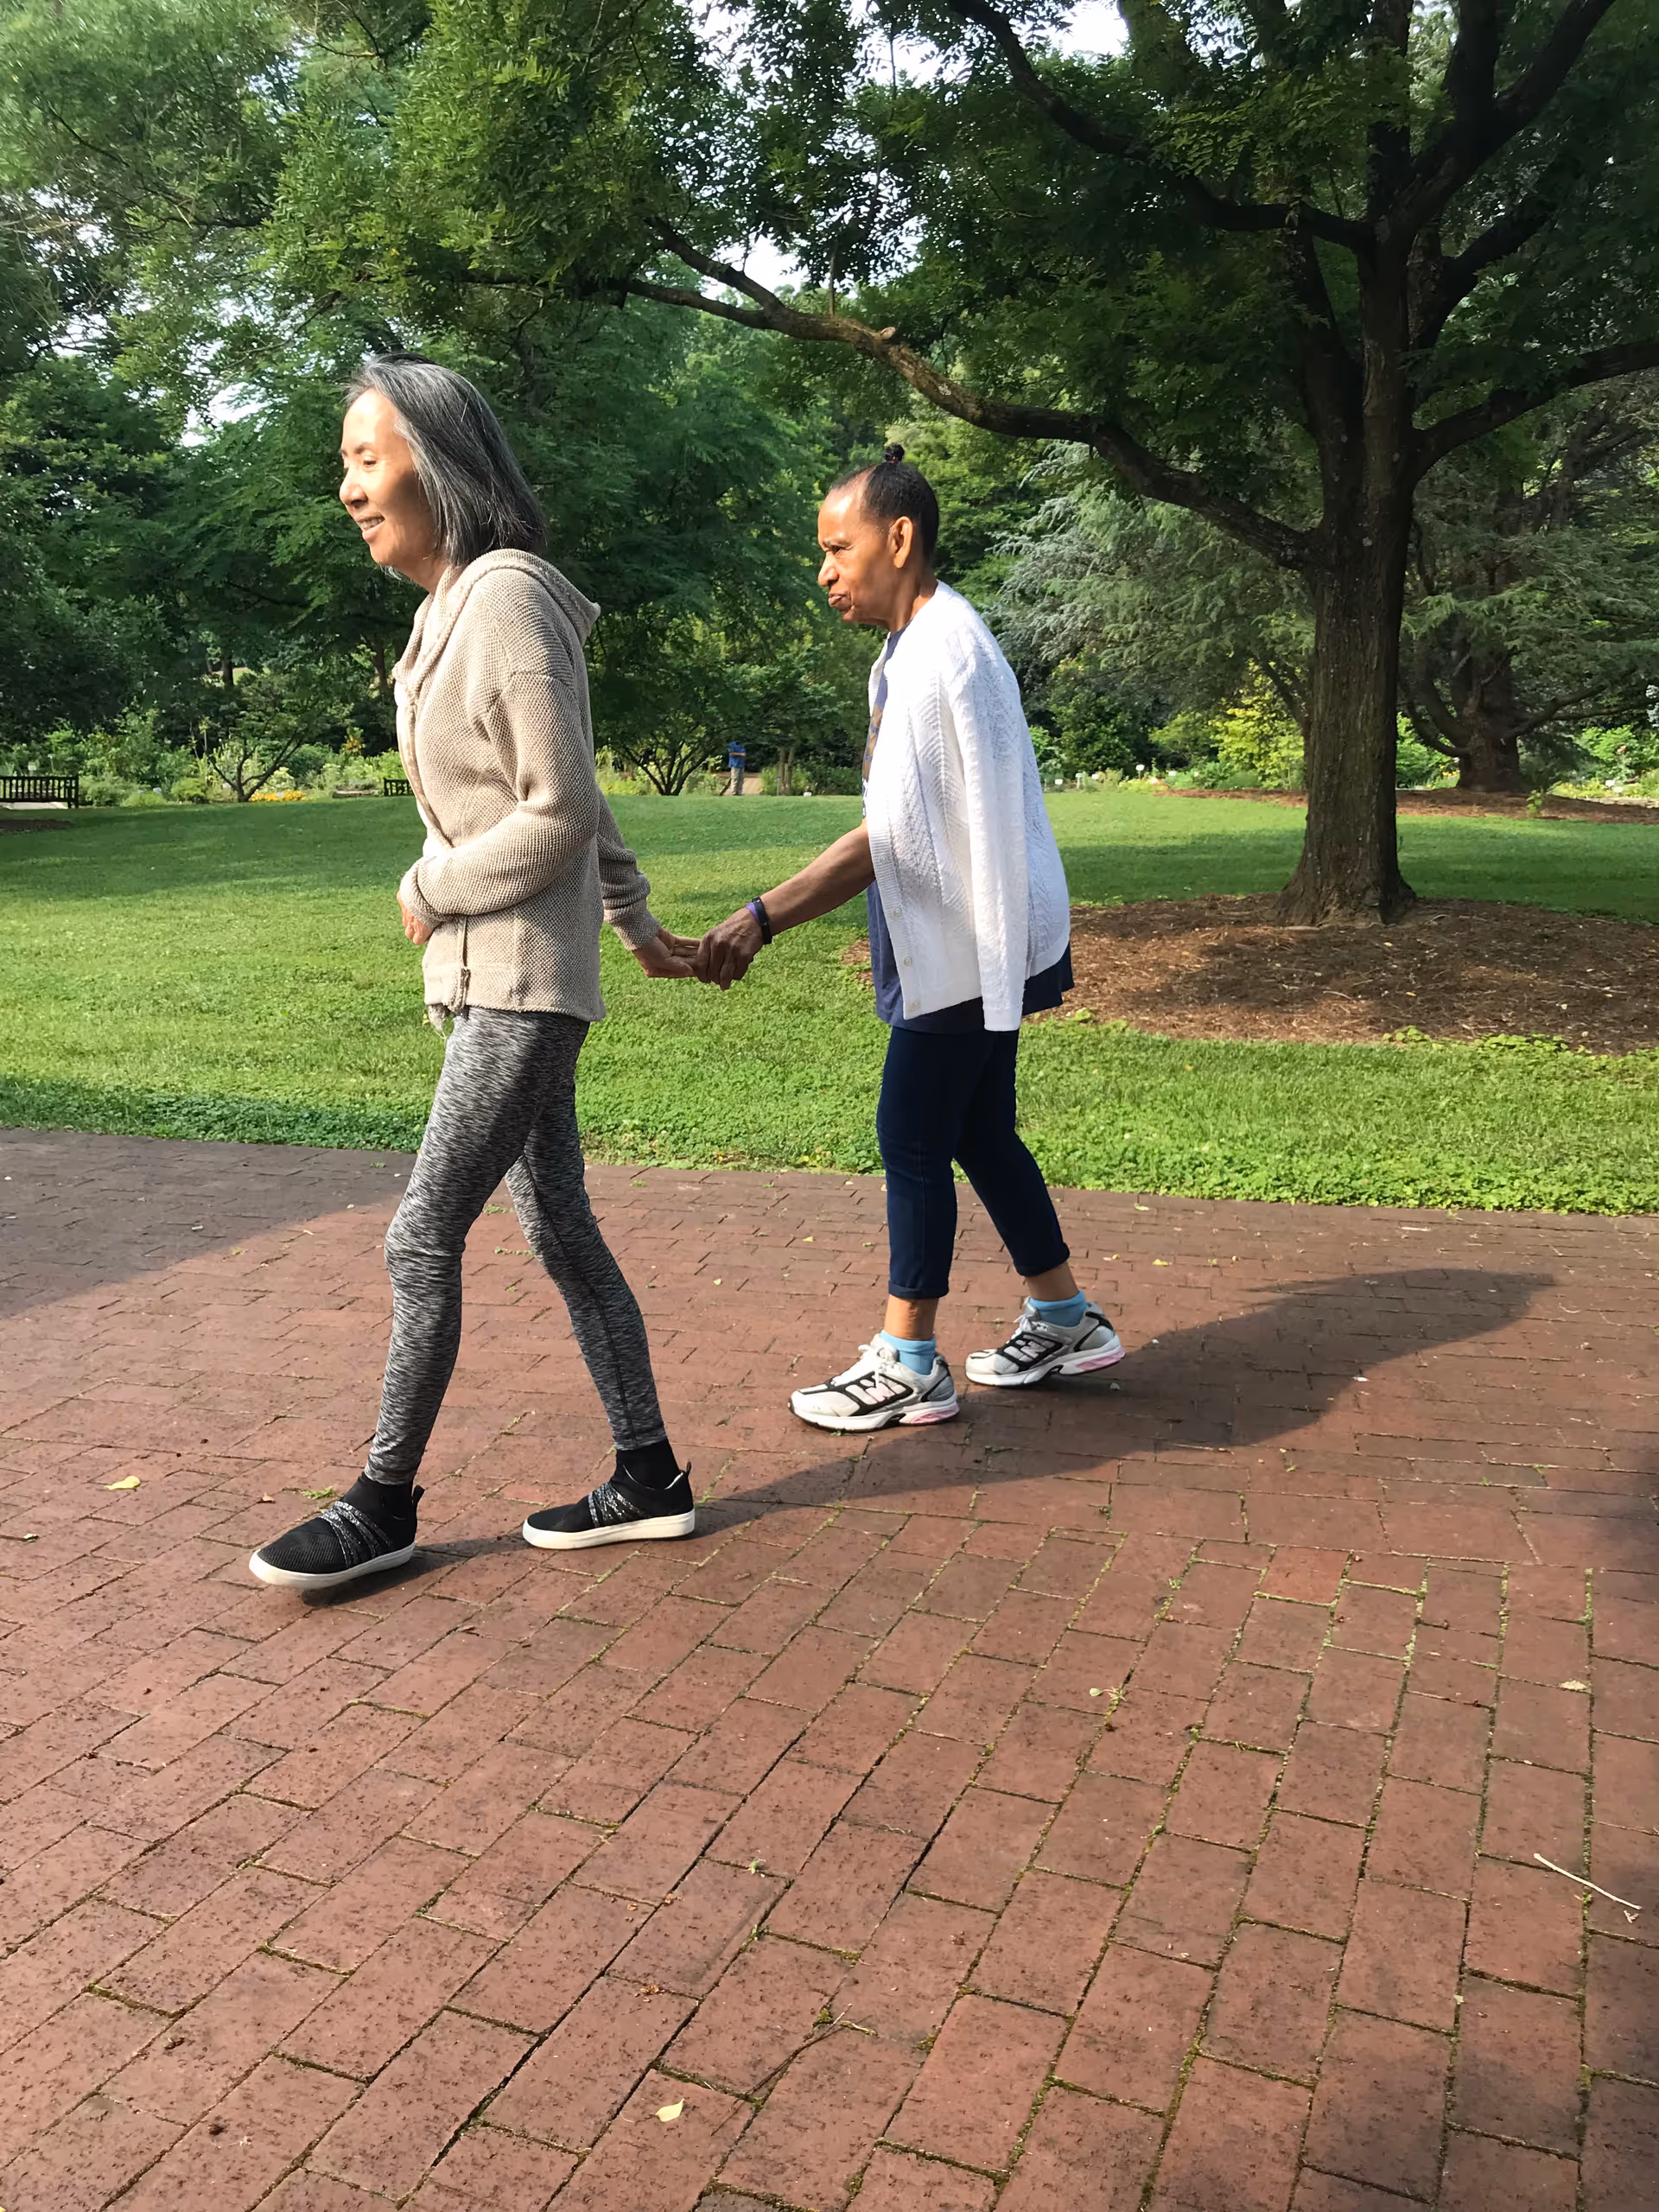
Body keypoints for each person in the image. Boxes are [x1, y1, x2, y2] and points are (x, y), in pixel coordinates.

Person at [251, 355, 700, 1591]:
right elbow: (580, 792)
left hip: (514, 980)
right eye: (345, 461)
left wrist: (428, 884)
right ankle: (650, 1477)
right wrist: (638, 919)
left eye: (366, 456)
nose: (348, 486)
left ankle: (382, 1502)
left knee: (416, 1238)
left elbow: (551, 810)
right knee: (560, 1230)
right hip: (503, 979)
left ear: (440, 462)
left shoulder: (503, 598)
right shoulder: (453, 606)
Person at [695, 445, 1124, 1431]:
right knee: (975, 1129)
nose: (825, 571)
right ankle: (1064, 1317)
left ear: (899, 538)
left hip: (973, 940)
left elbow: (881, 844)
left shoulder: (940, 657)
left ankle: (909, 1358)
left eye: (837, 548)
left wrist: (760, 918)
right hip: (985, 930)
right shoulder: (923, 643)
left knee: (913, 1135)